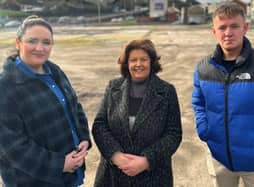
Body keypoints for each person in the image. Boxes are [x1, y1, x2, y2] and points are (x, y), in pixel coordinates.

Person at [192, 2, 254, 187]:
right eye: (222, 27)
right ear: (214, 31)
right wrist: (203, 127)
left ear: (245, 28)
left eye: (234, 26)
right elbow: (199, 102)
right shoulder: (203, 68)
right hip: (220, 159)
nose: (228, 33)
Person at [0, 15, 91, 187]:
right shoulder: (5, 86)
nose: (40, 48)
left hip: (68, 177)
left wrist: (83, 138)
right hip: (31, 182)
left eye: (46, 42)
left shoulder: (54, 71)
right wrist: (59, 164)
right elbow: (10, 147)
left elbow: (75, 108)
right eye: (32, 41)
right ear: (18, 43)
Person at [92, 39, 182, 187]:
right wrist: (116, 156)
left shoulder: (166, 91)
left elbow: (173, 134)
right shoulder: (113, 87)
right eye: (133, 60)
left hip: (153, 176)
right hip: (113, 175)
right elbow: (100, 125)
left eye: (144, 59)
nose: (138, 64)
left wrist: (147, 160)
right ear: (126, 63)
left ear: (152, 62)